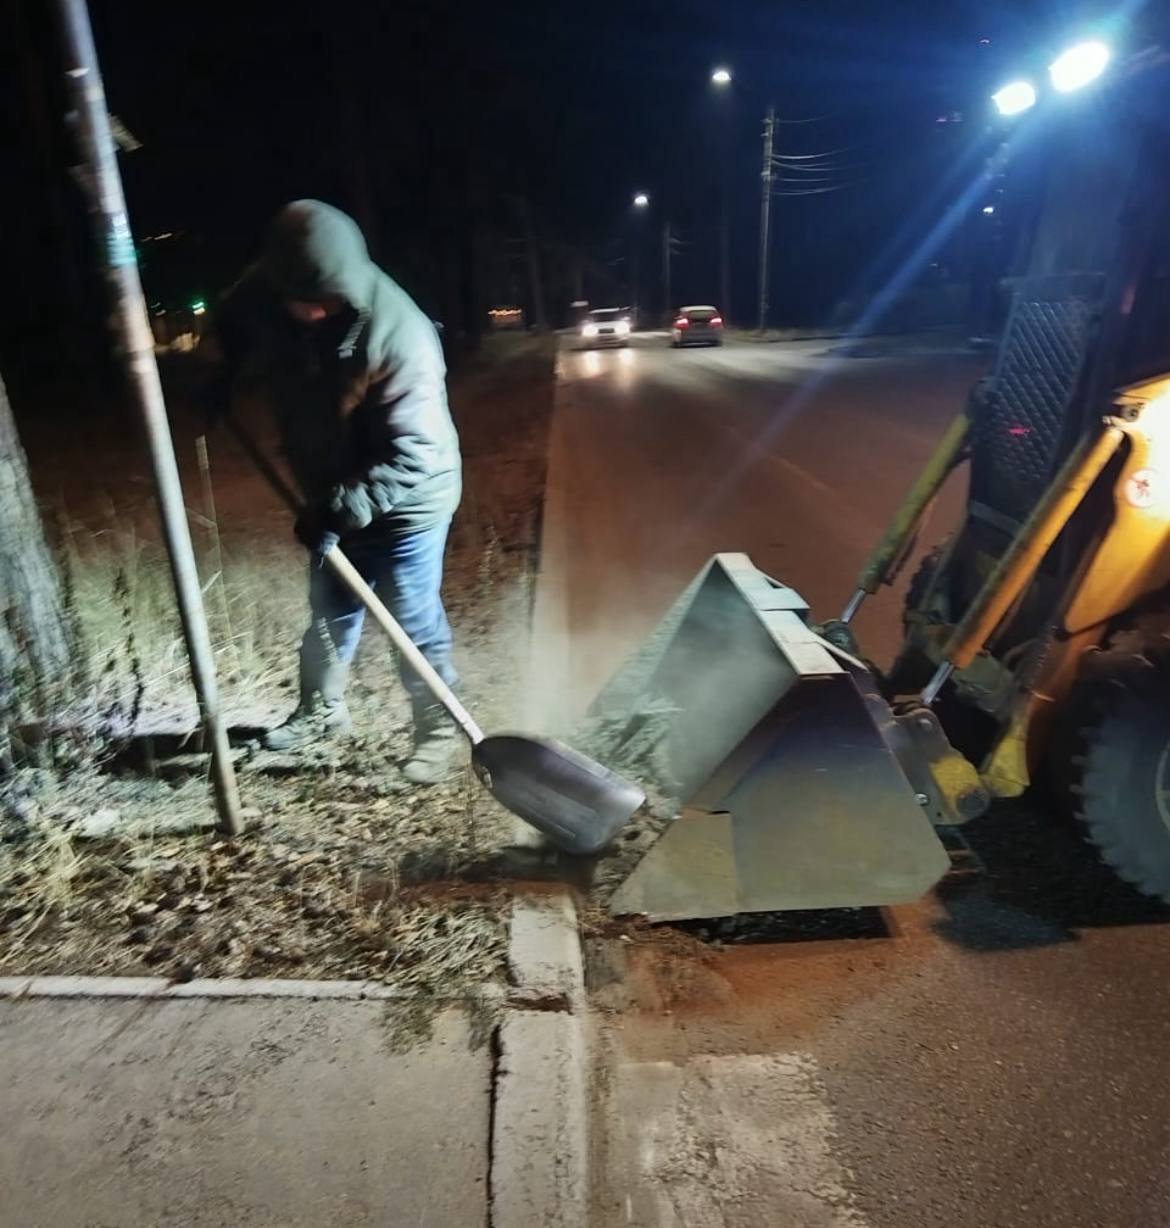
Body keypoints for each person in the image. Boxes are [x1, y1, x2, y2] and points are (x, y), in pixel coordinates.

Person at [201, 200, 462, 783]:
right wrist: (218, 373)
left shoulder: (401, 335)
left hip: (408, 498)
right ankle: (322, 712)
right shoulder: (267, 292)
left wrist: (349, 507)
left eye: (330, 299)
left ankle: (439, 729)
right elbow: (230, 324)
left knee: (411, 616)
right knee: (330, 608)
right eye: (306, 299)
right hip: (331, 491)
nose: (320, 309)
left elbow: (415, 451)